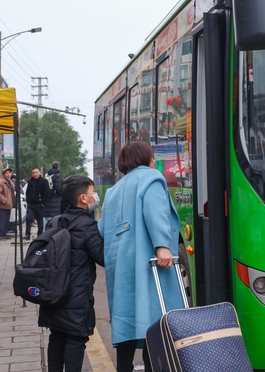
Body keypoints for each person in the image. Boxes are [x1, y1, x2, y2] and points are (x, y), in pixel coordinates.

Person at [98, 141, 180, 372]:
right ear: (146, 158)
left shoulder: (114, 189)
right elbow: (156, 214)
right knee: (154, 315)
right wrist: (162, 246)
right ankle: (152, 367)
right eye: (152, 155)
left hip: (120, 264)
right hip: (147, 261)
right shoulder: (151, 178)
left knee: (126, 317)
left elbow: (103, 229)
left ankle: (124, 368)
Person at [38, 175, 104, 372]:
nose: (95, 197)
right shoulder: (87, 226)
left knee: (57, 336)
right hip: (76, 296)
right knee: (75, 340)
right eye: (93, 193)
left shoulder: (54, 222)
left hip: (53, 293)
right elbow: (102, 257)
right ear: (83, 198)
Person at [24, 167, 50, 240]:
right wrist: (28, 200)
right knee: (28, 218)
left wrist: (43, 202)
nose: (35, 174)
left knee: (40, 220)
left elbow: (46, 192)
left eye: (36, 172)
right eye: (33, 173)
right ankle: (27, 234)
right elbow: (28, 192)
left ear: (39, 172)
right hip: (31, 204)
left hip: (39, 203)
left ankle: (40, 235)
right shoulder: (30, 181)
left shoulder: (44, 181)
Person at [0, 168, 15, 240]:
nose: (8, 174)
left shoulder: (10, 182)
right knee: (2, 221)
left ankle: (4, 234)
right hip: (3, 205)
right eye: (6, 173)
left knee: (6, 221)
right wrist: (4, 200)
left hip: (9, 205)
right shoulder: (1, 182)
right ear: (3, 174)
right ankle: (1, 235)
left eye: (9, 173)